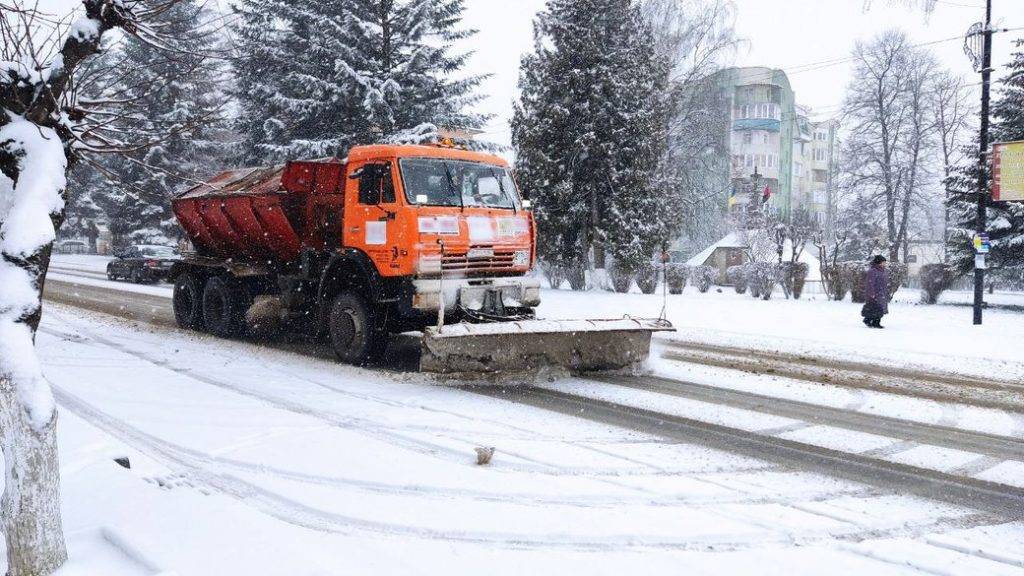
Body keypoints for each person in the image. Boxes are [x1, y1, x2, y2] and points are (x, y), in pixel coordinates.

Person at [862, 255, 889, 329]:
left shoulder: (882, 271)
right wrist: (871, 293)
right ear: (878, 262)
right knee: (875, 308)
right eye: (883, 262)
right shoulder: (873, 271)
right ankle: (871, 321)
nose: (884, 264)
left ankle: (874, 322)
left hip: (881, 292)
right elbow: (870, 283)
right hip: (875, 293)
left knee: (879, 309)